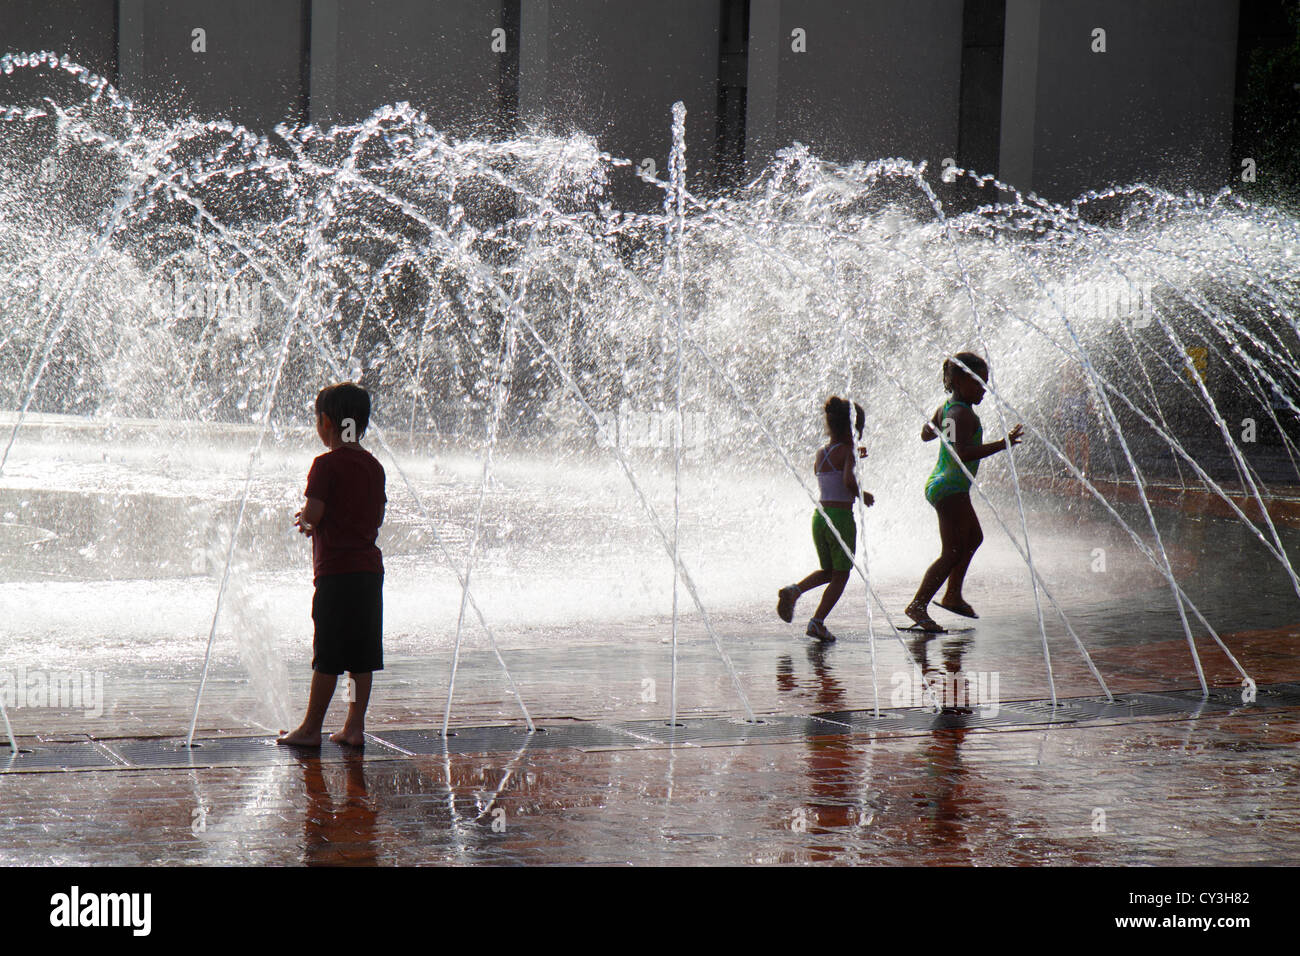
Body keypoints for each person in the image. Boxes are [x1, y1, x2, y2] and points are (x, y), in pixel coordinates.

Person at [278, 382, 387, 748]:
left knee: (327, 656)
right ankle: (354, 727)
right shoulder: (374, 466)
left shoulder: (325, 465)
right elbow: (377, 515)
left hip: (336, 575)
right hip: (369, 574)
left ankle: (311, 728)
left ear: (325, 421)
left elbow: (313, 514)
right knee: (361, 657)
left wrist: (305, 522)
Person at [905, 353, 1023, 633]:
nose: (984, 389)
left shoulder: (949, 409)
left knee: (973, 538)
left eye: (985, 383)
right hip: (949, 486)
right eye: (978, 383)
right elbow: (964, 453)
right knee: (952, 550)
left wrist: (941, 426)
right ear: (958, 380)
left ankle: (953, 595)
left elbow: (925, 434)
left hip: (947, 484)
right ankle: (919, 605)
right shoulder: (963, 413)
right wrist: (1003, 443)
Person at [776, 396, 875, 642]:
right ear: (853, 429)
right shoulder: (848, 451)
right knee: (841, 575)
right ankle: (817, 622)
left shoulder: (822, 452)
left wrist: (852, 457)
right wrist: (864, 495)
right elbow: (848, 482)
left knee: (828, 571)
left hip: (820, 518)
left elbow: (826, 472)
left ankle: (795, 590)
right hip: (840, 518)